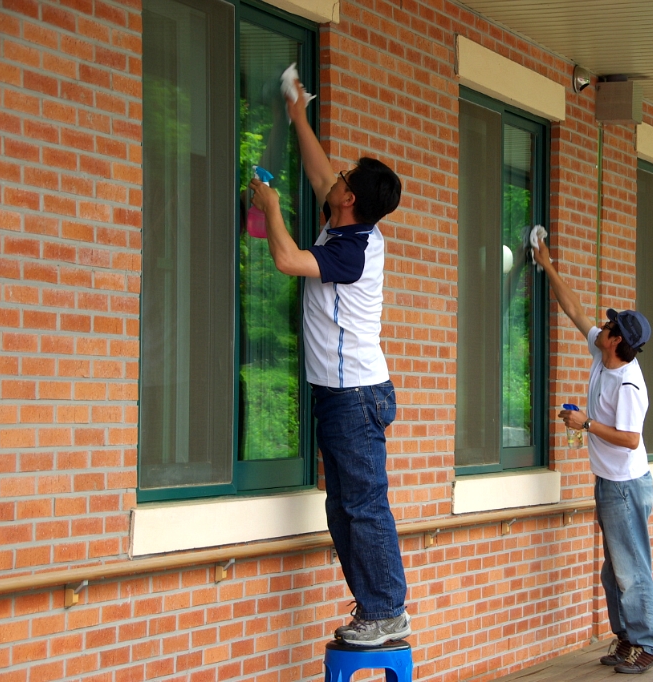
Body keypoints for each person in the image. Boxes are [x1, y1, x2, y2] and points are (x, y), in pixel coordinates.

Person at [249, 79, 409, 647]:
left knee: (363, 507)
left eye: (344, 179)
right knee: (343, 509)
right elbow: (319, 173)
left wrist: (269, 207)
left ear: (350, 200)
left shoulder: (352, 248)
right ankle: (375, 606)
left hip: (353, 394)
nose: (334, 177)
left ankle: (387, 610)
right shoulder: (345, 221)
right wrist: (296, 116)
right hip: (341, 392)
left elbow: (289, 259)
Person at [533, 240, 653, 674]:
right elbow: (574, 310)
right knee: (616, 572)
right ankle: (628, 639)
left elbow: (630, 439)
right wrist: (549, 266)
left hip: (625, 488)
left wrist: (585, 424)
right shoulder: (604, 352)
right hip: (611, 484)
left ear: (616, 341)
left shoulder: (627, 383)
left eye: (609, 326)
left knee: (631, 570)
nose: (602, 327)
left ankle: (649, 644)